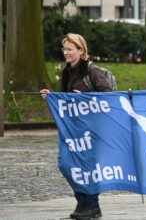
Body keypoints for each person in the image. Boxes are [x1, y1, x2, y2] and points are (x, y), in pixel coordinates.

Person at [40, 33, 112, 219]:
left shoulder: (91, 71)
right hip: (72, 130)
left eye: (70, 49)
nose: (66, 52)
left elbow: (108, 96)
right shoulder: (66, 72)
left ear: (81, 51)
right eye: (64, 49)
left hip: (91, 129)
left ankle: (91, 206)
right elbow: (66, 98)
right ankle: (82, 201)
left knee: (87, 167)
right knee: (66, 164)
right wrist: (51, 96)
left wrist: (85, 97)